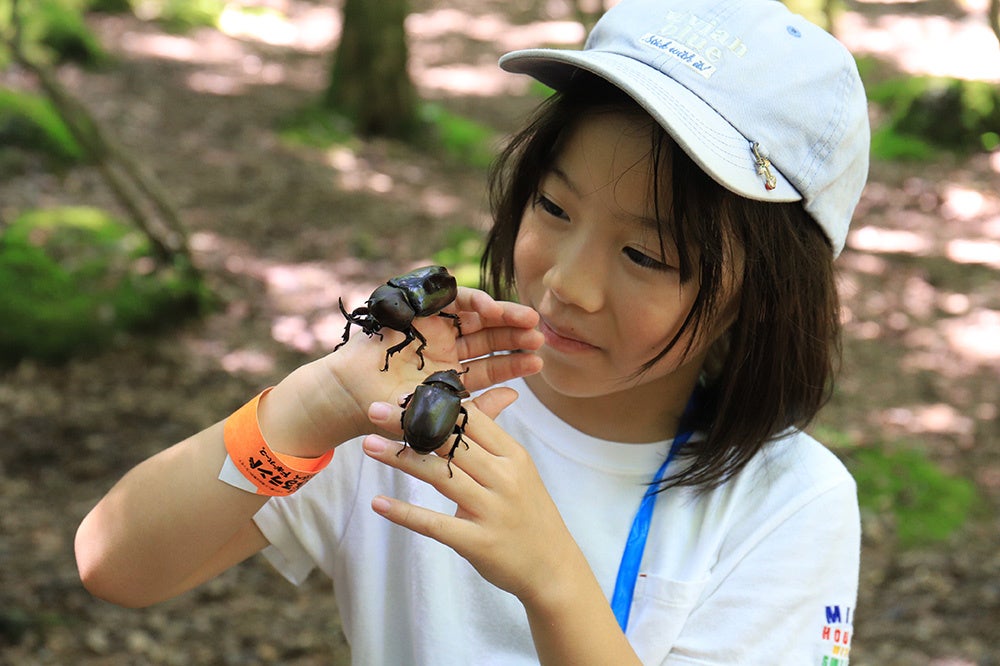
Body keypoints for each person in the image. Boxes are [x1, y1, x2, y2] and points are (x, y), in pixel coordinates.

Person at [76, 0, 869, 663]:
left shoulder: (791, 504)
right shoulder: (398, 410)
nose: (568, 283)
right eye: (554, 209)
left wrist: (553, 578)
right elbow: (118, 563)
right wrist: (312, 403)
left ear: (762, 298)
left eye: (646, 254)